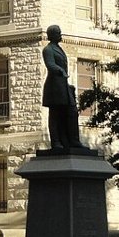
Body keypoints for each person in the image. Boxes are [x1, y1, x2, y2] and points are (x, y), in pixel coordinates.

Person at [42, 24, 83, 152]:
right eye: (58, 33)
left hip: (63, 85)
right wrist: (60, 70)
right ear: (52, 35)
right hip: (54, 86)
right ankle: (56, 142)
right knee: (55, 114)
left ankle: (72, 140)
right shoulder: (48, 50)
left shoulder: (58, 48)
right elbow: (50, 65)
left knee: (71, 111)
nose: (60, 35)